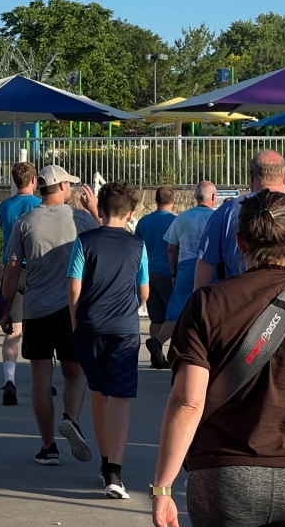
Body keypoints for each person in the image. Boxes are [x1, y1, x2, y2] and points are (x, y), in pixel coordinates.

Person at [152, 190, 285, 527]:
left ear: (240, 243)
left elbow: (188, 403)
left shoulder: (208, 303)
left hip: (223, 476)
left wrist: (163, 488)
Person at [0, 164, 99, 466]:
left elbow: (13, 269)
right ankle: (71, 418)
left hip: (36, 309)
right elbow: (108, 239)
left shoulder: (25, 222)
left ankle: (48, 447)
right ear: (62, 186)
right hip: (72, 308)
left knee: (40, 380)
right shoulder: (80, 218)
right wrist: (94, 209)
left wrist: (6, 309)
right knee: (76, 374)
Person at [67, 181, 150, 499]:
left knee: (98, 393)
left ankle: (104, 462)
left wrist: (76, 320)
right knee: (120, 399)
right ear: (130, 214)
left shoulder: (84, 241)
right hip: (124, 329)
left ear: (99, 210)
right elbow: (144, 292)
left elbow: (74, 287)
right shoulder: (137, 245)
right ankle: (114, 471)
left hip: (90, 326)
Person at [194, 149, 285, 290]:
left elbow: (206, 262)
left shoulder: (227, 211)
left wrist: (197, 299)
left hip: (240, 297)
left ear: (251, 176)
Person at [0, 162, 41, 406]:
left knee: (13, 331)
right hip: (35, 269)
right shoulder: (38, 205)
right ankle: (42, 380)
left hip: (12, 269)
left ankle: (9, 380)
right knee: (39, 328)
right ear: (33, 180)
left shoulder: (4, 206)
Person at [158, 181, 217, 342]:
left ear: (195, 196)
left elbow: (171, 249)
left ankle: (159, 341)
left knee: (177, 310)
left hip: (185, 268)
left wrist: (174, 273)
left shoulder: (181, 217)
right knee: (208, 308)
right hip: (210, 268)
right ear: (213, 197)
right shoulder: (216, 217)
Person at [135, 186, 176, 370]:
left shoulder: (144, 221)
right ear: (173, 201)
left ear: (156, 200)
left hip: (148, 274)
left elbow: (137, 247)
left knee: (156, 318)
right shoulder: (175, 221)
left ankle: (156, 356)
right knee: (174, 316)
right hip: (168, 273)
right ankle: (170, 353)